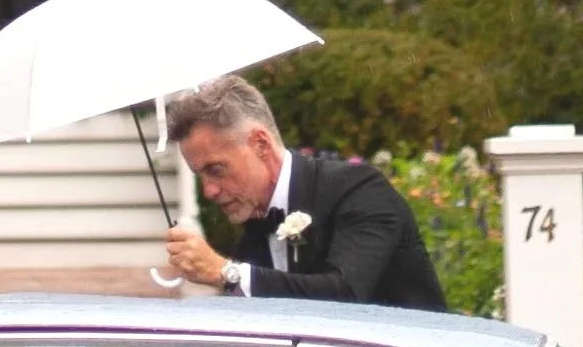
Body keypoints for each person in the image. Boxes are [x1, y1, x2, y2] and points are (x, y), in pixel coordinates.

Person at [158, 72, 445, 308]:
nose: (208, 191)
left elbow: (344, 295)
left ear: (261, 145)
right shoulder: (255, 234)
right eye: (200, 176)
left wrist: (226, 273)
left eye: (216, 169)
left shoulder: (359, 190)